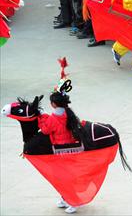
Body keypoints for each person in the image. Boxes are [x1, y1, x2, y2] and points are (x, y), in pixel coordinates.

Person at [38, 81, 84, 214]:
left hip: (60, 153)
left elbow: (46, 130)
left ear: (53, 104)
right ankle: (66, 199)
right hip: (72, 150)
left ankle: (73, 201)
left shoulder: (53, 118)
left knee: (63, 178)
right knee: (67, 177)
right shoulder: (69, 113)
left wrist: (41, 117)